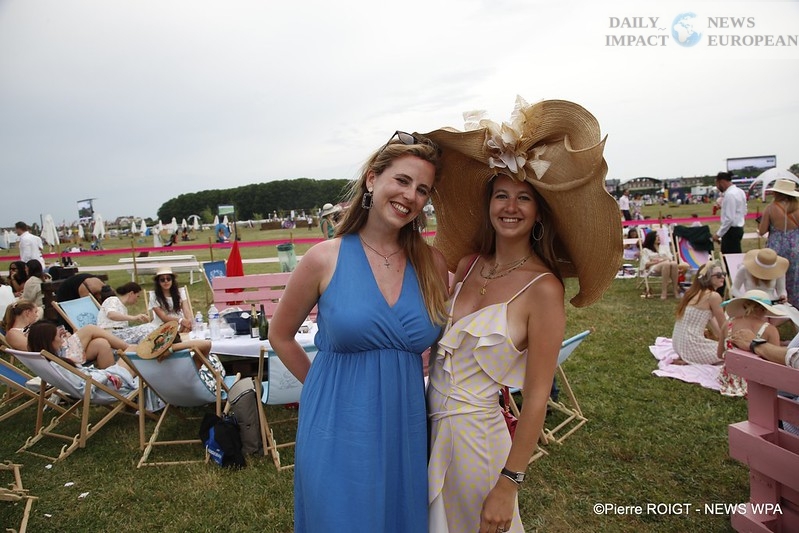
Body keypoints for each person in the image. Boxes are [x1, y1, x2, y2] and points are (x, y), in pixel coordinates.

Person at [423, 97, 621, 533]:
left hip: (479, 448)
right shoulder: (467, 265)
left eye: (523, 198)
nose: (510, 207)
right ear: (488, 204)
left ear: (538, 213)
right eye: (501, 195)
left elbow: (536, 397)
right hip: (427, 437)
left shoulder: (544, 290)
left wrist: (509, 483)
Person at [269, 130, 449, 532]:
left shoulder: (433, 265)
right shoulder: (324, 258)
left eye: (422, 189)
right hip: (335, 425)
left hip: (405, 428)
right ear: (372, 179)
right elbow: (279, 335)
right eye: (402, 180)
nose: (410, 196)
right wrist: (323, 390)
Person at [717, 289, 785, 397]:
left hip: (730, 378)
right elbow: (776, 363)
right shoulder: (770, 330)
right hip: (758, 380)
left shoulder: (728, 324)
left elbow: (720, 354)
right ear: (765, 310)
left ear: (743, 306)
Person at [671, 262, 727, 365]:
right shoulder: (713, 296)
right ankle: (690, 359)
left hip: (678, 345)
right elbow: (724, 326)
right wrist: (732, 345)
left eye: (723, 274)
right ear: (707, 278)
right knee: (729, 354)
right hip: (691, 346)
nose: (723, 277)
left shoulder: (692, 293)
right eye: (719, 275)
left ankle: (687, 358)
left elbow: (715, 326)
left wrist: (722, 341)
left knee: (723, 347)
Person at [731, 248, 799, 327]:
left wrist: (783, 296)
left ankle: (764, 329)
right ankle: (764, 329)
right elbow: (734, 289)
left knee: (786, 314)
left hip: (772, 303)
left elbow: (782, 290)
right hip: (751, 302)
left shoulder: (778, 271)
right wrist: (745, 299)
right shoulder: (745, 269)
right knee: (760, 315)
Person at [758, 178, 799, 308]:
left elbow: (762, 231)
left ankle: (776, 305)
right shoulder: (797, 208)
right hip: (795, 245)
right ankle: (795, 306)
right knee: (794, 277)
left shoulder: (770, 208)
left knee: (774, 276)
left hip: (776, 246)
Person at [149, 267, 193, 333]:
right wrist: (181, 320)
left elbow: (186, 310)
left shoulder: (180, 292)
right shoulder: (154, 296)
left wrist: (189, 322)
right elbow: (163, 317)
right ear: (158, 282)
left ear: (172, 280)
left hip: (181, 322)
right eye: (162, 280)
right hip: (162, 324)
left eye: (168, 279)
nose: (166, 281)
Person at [712, 171, 747, 254]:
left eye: (717, 184)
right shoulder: (740, 191)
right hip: (738, 229)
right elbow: (744, 210)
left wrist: (718, 234)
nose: (718, 187)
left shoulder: (729, 195)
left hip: (730, 231)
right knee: (736, 254)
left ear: (722, 182)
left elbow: (729, 219)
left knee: (729, 257)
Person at [640, 230, 681, 299]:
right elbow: (646, 264)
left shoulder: (664, 247)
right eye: (656, 236)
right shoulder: (646, 250)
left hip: (667, 266)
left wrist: (660, 260)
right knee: (666, 264)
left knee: (674, 263)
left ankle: (675, 290)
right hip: (654, 268)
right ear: (651, 238)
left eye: (659, 236)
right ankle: (664, 291)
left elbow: (670, 258)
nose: (658, 238)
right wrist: (659, 261)